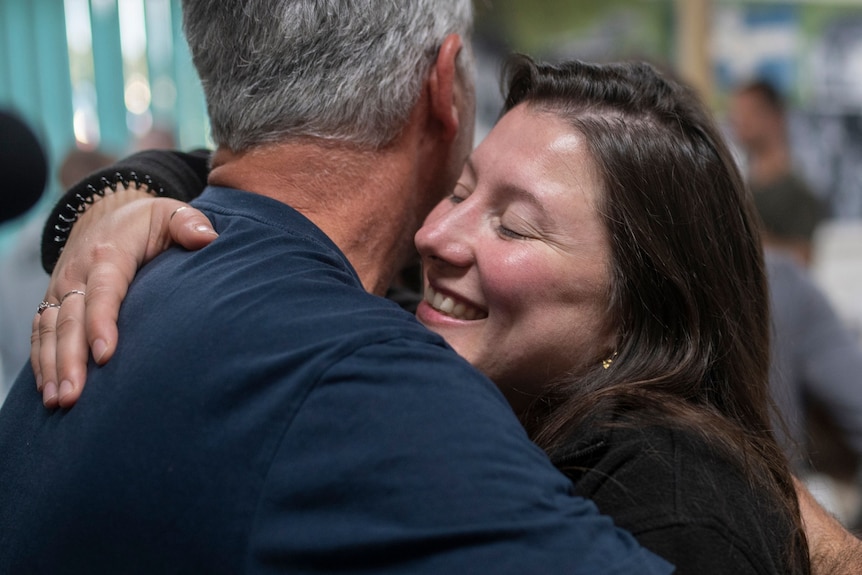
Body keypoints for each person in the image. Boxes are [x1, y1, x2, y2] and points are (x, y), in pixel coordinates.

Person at [28, 53, 841, 572]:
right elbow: (280, 167)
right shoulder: (479, 338)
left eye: (514, 224)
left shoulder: (673, 498)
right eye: (459, 188)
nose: (435, 233)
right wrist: (114, 198)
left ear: (640, 309)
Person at [728, 79, 827, 266]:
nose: (739, 120)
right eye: (737, 113)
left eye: (749, 112)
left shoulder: (798, 191)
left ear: (775, 117)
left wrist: (745, 238)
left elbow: (802, 259)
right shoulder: (738, 185)